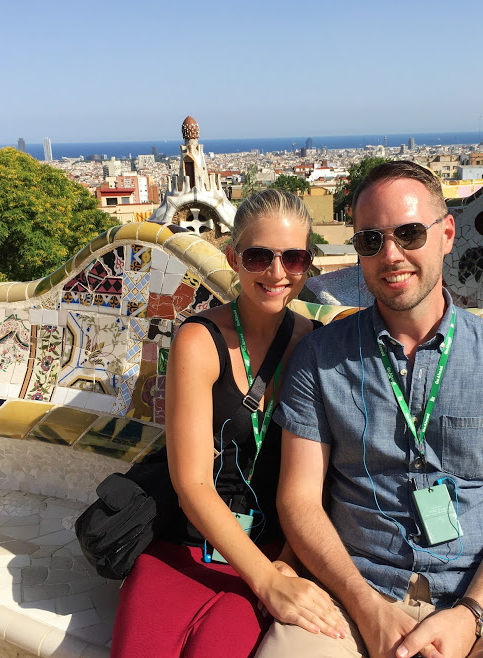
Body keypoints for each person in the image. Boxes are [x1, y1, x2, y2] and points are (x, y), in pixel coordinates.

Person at [256, 162, 483, 658]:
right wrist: (365, 606)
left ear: (446, 233)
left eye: (409, 233)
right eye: (371, 241)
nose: (391, 255)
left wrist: (472, 614)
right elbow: (299, 501)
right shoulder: (319, 358)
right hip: (354, 588)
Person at [111, 189, 346, 658]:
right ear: (233, 258)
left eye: (294, 258)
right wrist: (266, 582)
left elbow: (322, 481)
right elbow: (192, 482)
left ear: (307, 264)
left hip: (280, 550)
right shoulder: (200, 341)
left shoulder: (317, 347)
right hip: (193, 543)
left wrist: (285, 566)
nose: (277, 273)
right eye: (259, 257)